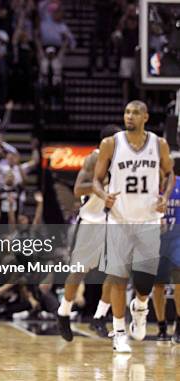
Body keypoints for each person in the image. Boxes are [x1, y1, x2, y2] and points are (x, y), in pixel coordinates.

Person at [93, 101, 174, 353]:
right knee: (118, 276)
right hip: (119, 218)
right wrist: (102, 195)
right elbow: (96, 179)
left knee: (145, 284)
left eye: (135, 112)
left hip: (148, 219)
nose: (130, 116)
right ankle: (119, 333)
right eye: (127, 112)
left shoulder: (158, 144)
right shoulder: (111, 144)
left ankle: (140, 307)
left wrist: (165, 196)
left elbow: (170, 174)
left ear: (146, 117)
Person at [57, 125, 122, 342]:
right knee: (78, 272)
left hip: (113, 222)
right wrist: (101, 184)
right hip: (91, 221)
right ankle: (64, 312)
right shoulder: (93, 160)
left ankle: (100, 316)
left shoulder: (123, 163)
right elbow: (77, 189)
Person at [151, 170, 180, 343]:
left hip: (177, 238)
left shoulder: (178, 183)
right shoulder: (150, 186)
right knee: (158, 285)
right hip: (157, 239)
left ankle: (178, 323)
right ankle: (161, 326)